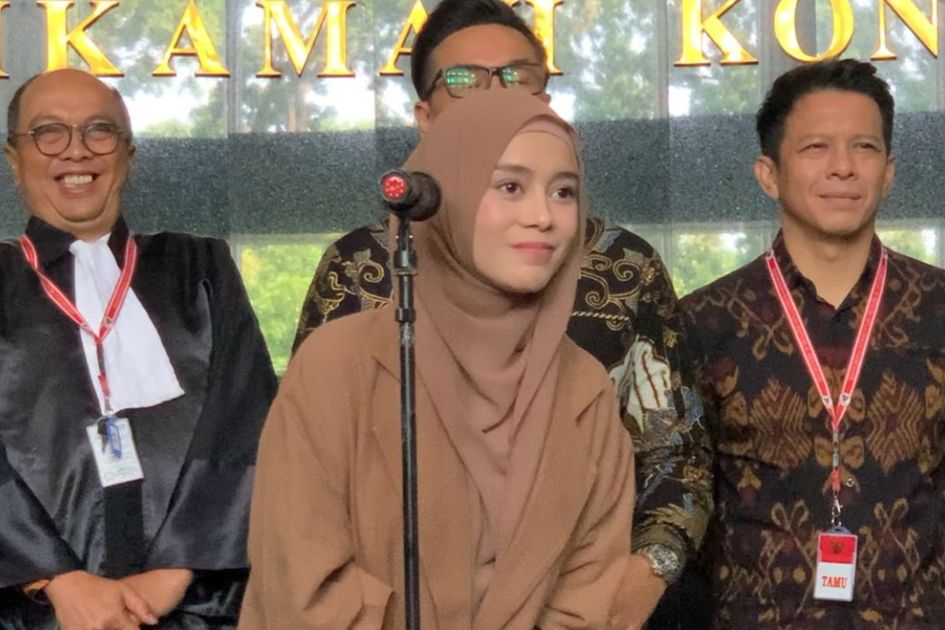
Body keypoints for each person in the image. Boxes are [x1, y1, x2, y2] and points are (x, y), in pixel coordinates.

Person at [293, 1, 712, 626]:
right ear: (425, 118)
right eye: (464, 80)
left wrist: (631, 587)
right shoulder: (364, 268)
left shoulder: (621, 269)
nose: (496, 95)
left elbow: (677, 454)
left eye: (518, 77)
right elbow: (308, 485)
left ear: (547, 102)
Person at [241, 88, 635, 629]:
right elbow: (303, 586)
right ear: (445, 199)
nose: (543, 216)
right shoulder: (337, 366)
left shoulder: (583, 386)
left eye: (563, 192)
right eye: (511, 187)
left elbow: (589, 595)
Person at [0, 69, 277, 629]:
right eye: (49, 132)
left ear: (128, 154)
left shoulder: (199, 268)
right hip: (34, 609)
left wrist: (175, 570)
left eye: (99, 131)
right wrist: (55, 578)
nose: (76, 150)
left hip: (193, 604)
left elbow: (245, 417)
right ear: (14, 159)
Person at [681, 59, 945, 628]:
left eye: (865, 147)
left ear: (889, 173)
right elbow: (679, 503)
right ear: (768, 174)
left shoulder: (938, 307)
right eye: (816, 147)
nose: (843, 167)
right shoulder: (702, 321)